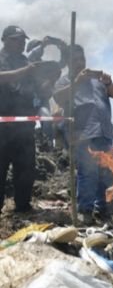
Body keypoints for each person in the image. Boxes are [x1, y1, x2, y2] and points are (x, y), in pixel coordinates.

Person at [53, 45, 113, 222]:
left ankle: (102, 209)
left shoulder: (96, 79)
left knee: (106, 174)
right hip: (83, 135)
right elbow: (58, 98)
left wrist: (108, 83)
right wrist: (76, 83)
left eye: (81, 59)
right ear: (68, 62)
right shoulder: (65, 81)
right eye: (74, 60)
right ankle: (86, 211)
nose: (79, 63)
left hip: (104, 132)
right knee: (88, 173)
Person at [0, 26, 54, 214]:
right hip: (2, 128)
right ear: (5, 40)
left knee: (26, 169)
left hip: (24, 127)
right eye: (17, 39)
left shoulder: (25, 62)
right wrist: (26, 71)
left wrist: (52, 79)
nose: (22, 43)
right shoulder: (3, 60)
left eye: (23, 39)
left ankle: (22, 206)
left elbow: (42, 92)